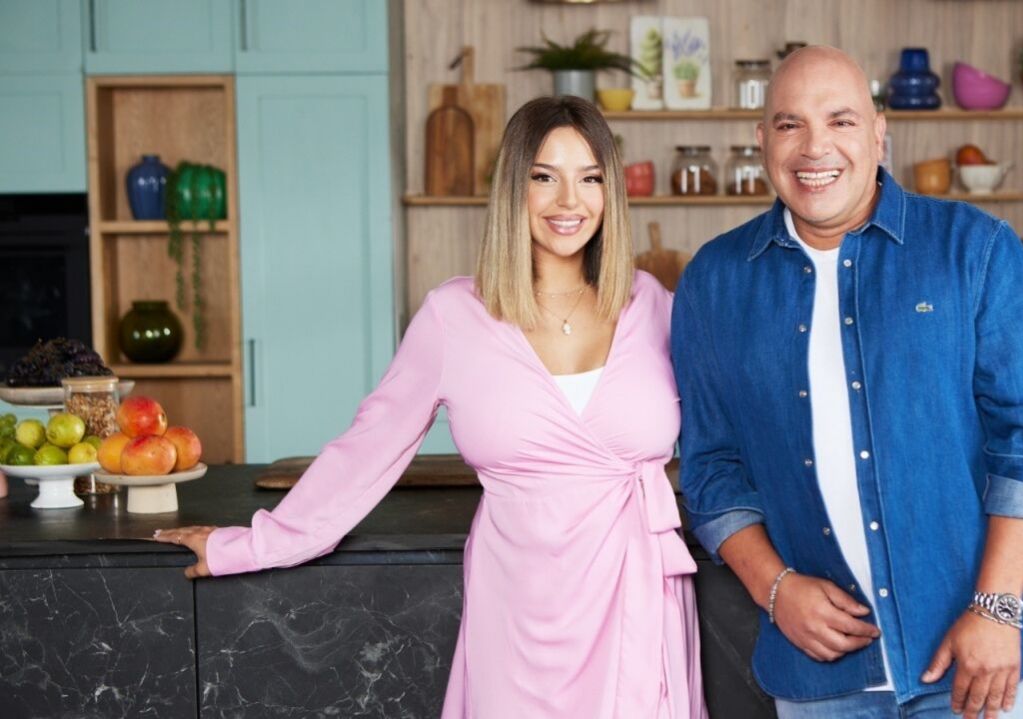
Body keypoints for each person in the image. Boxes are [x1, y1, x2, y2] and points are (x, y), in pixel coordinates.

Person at [157, 96, 707, 719]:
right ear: (513, 186)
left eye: (590, 179)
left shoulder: (654, 306)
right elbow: (366, 452)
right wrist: (249, 546)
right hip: (518, 617)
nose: (568, 201)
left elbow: (731, 426)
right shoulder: (453, 317)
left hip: (637, 602)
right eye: (544, 177)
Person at [671, 46, 1023, 719]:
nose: (814, 147)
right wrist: (774, 587)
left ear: (878, 133)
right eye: (789, 124)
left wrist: (996, 608)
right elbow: (710, 468)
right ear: (761, 141)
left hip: (974, 663)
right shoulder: (714, 281)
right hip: (819, 679)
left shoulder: (975, 249)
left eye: (840, 121)